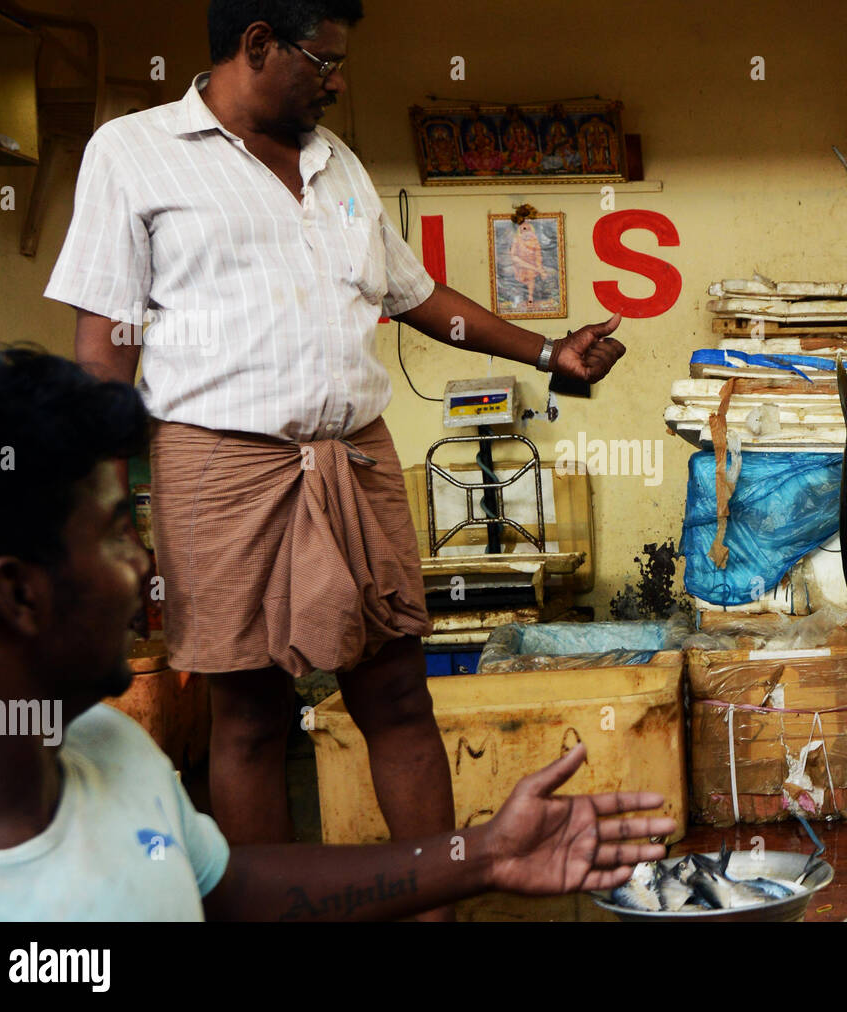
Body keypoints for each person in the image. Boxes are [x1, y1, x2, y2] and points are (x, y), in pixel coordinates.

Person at [42, 0, 627, 921]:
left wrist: (549, 354)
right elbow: (103, 354)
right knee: (251, 714)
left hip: (354, 459)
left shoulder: (336, 162)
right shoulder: (132, 151)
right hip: (220, 467)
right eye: (325, 61)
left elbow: (420, 295)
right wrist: (108, 517)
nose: (340, 81)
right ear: (257, 44)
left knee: (397, 690)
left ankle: (438, 905)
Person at [0, 341, 670, 921]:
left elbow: (227, 889)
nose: (146, 562)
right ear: (19, 594)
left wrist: (482, 856)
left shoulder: (116, 752)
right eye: (118, 535)